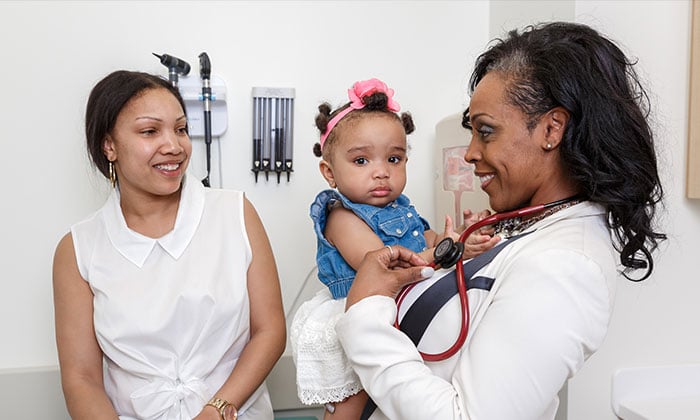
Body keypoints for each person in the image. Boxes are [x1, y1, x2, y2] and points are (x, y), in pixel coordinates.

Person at [333, 22, 667, 419]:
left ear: (551, 129)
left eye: (486, 132)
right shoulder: (526, 229)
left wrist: (365, 315)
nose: (471, 153)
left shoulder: (566, 267)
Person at [52, 70, 286, 420]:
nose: (174, 146)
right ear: (109, 145)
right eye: (150, 131)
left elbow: (269, 331)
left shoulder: (234, 213)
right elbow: (81, 379)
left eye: (180, 129)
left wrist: (217, 409)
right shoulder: (79, 249)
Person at [290, 78, 498, 419]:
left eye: (394, 158)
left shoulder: (401, 207)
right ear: (329, 172)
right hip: (352, 312)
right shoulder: (340, 215)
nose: (381, 172)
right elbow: (381, 266)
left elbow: (429, 240)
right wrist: (449, 250)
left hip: (395, 308)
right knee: (351, 403)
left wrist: (461, 234)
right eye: (361, 161)